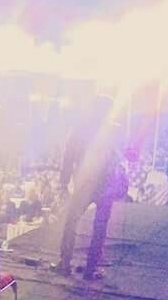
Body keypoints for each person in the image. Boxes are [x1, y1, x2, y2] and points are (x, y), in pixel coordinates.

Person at [55, 95, 128, 280]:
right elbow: (120, 157)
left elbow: (68, 158)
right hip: (105, 185)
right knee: (99, 227)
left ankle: (64, 263)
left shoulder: (80, 129)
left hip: (84, 183)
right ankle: (91, 269)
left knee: (71, 222)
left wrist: (63, 183)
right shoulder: (113, 131)